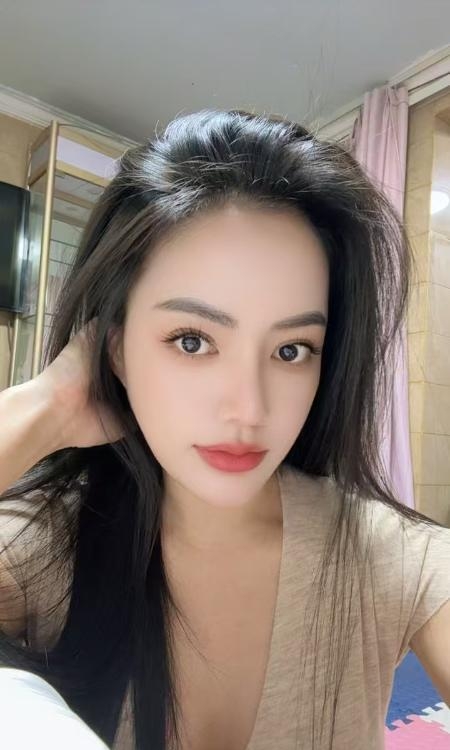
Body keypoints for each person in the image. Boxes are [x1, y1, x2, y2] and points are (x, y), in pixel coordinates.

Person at [0, 108, 449, 750]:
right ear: (116, 348)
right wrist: (45, 405)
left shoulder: (391, 557)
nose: (250, 409)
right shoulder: (38, 551)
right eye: (192, 340)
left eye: (291, 350)